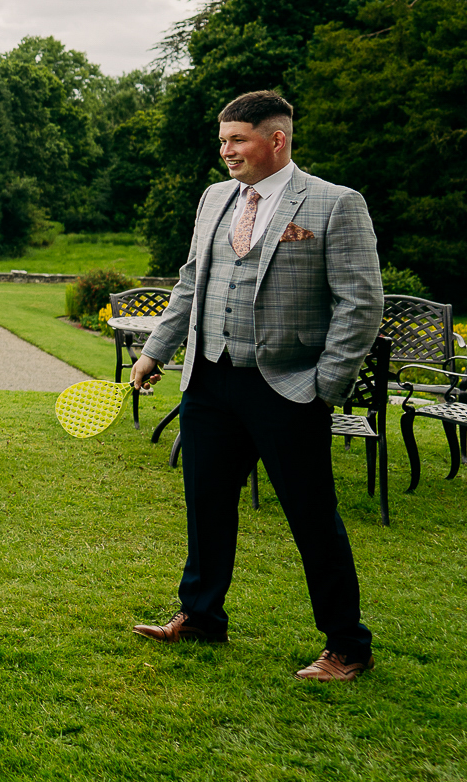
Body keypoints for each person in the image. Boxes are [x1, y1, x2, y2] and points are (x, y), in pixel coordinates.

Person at [130, 91, 383, 681]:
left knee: (313, 519)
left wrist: (326, 385)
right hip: (210, 381)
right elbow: (191, 282)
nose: (226, 152)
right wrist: (155, 351)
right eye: (223, 141)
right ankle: (200, 617)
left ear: (277, 140)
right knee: (207, 509)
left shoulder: (335, 204)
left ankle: (348, 646)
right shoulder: (215, 198)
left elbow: (360, 302)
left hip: (289, 388)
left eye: (237, 140)